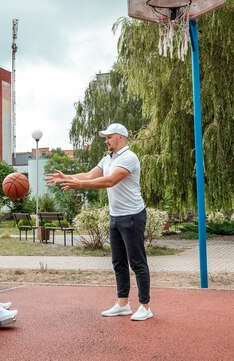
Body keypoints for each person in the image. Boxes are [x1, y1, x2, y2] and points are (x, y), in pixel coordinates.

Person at [45, 123, 152, 321]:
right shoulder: (107, 158)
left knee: (137, 262)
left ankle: (145, 306)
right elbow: (88, 175)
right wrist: (66, 178)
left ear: (120, 137)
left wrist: (79, 184)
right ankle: (123, 304)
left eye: (109, 137)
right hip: (116, 216)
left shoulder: (129, 157)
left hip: (132, 216)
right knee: (118, 262)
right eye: (105, 138)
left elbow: (109, 181)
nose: (106, 141)